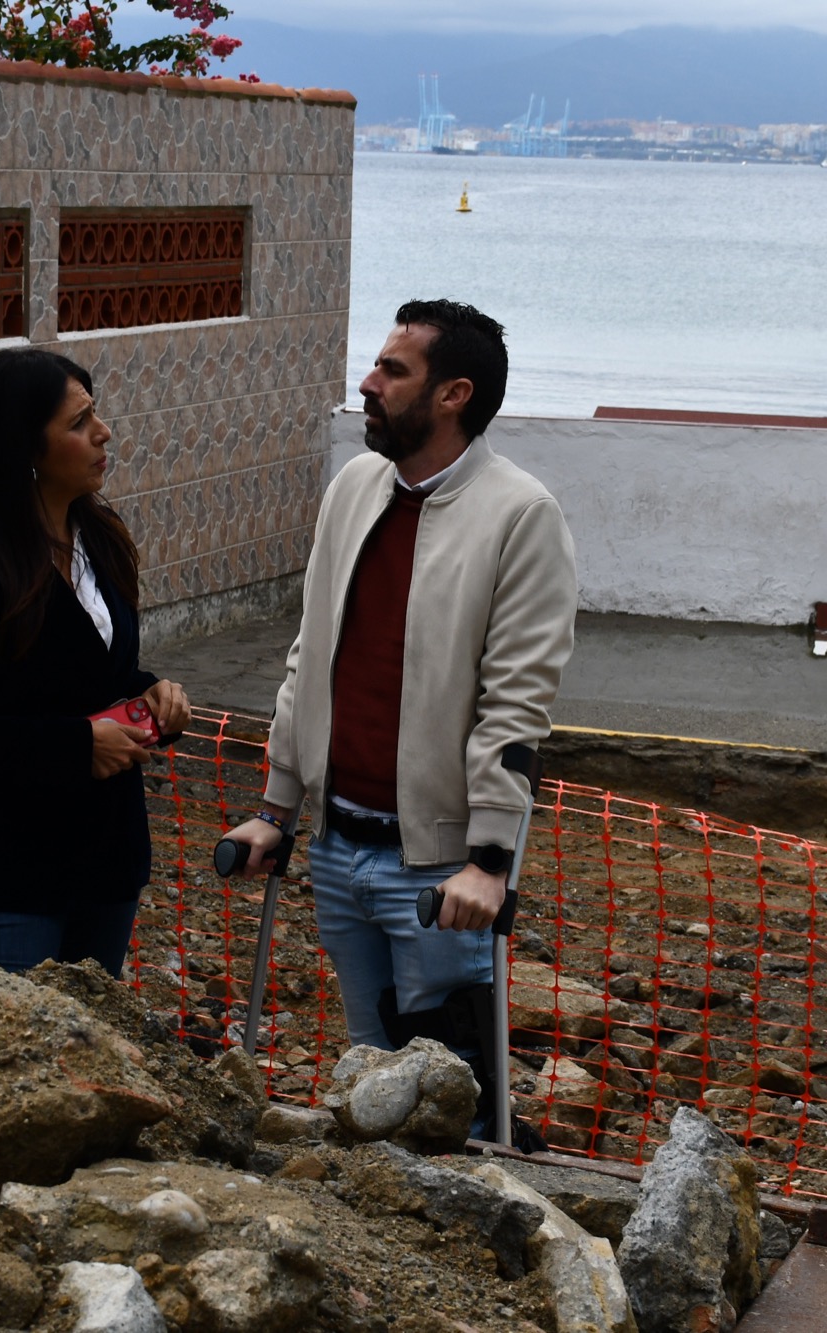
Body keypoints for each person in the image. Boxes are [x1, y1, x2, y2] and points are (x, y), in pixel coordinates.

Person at [219, 298, 578, 1114]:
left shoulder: (521, 515)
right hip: (336, 847)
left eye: (392, 370)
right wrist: (277, 808)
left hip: (438, 872)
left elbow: (516, 705)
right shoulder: (354, 486)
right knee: (371, 1072)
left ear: (453, 395)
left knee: (452, 1090)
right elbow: (310, 656)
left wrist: (490, 862)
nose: (368, 383)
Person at [0, 348, 190, 977]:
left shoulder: (101, 537)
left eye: (96, 414)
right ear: (24, 447)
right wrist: (77, 746)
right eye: (79, 422)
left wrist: (153, 696)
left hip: (107, 861)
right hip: (9, 874)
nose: (103, 432)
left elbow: (94, 676)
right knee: (20, 1040)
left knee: (96, 1036)